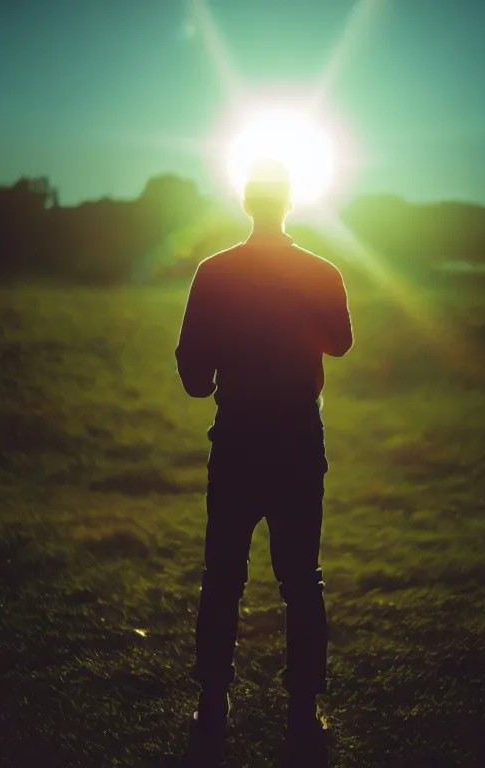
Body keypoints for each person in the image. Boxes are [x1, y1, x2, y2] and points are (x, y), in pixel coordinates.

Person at [175, 159, 353, 766]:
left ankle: (212, 707)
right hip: (299, 443)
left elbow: (196, 380)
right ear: (290, 203)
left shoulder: (214, 272)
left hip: (237, 442)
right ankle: (303, 712)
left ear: (248, 203)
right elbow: (342, 341)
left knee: (222, 575)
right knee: (302, 580)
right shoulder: (321, 271)